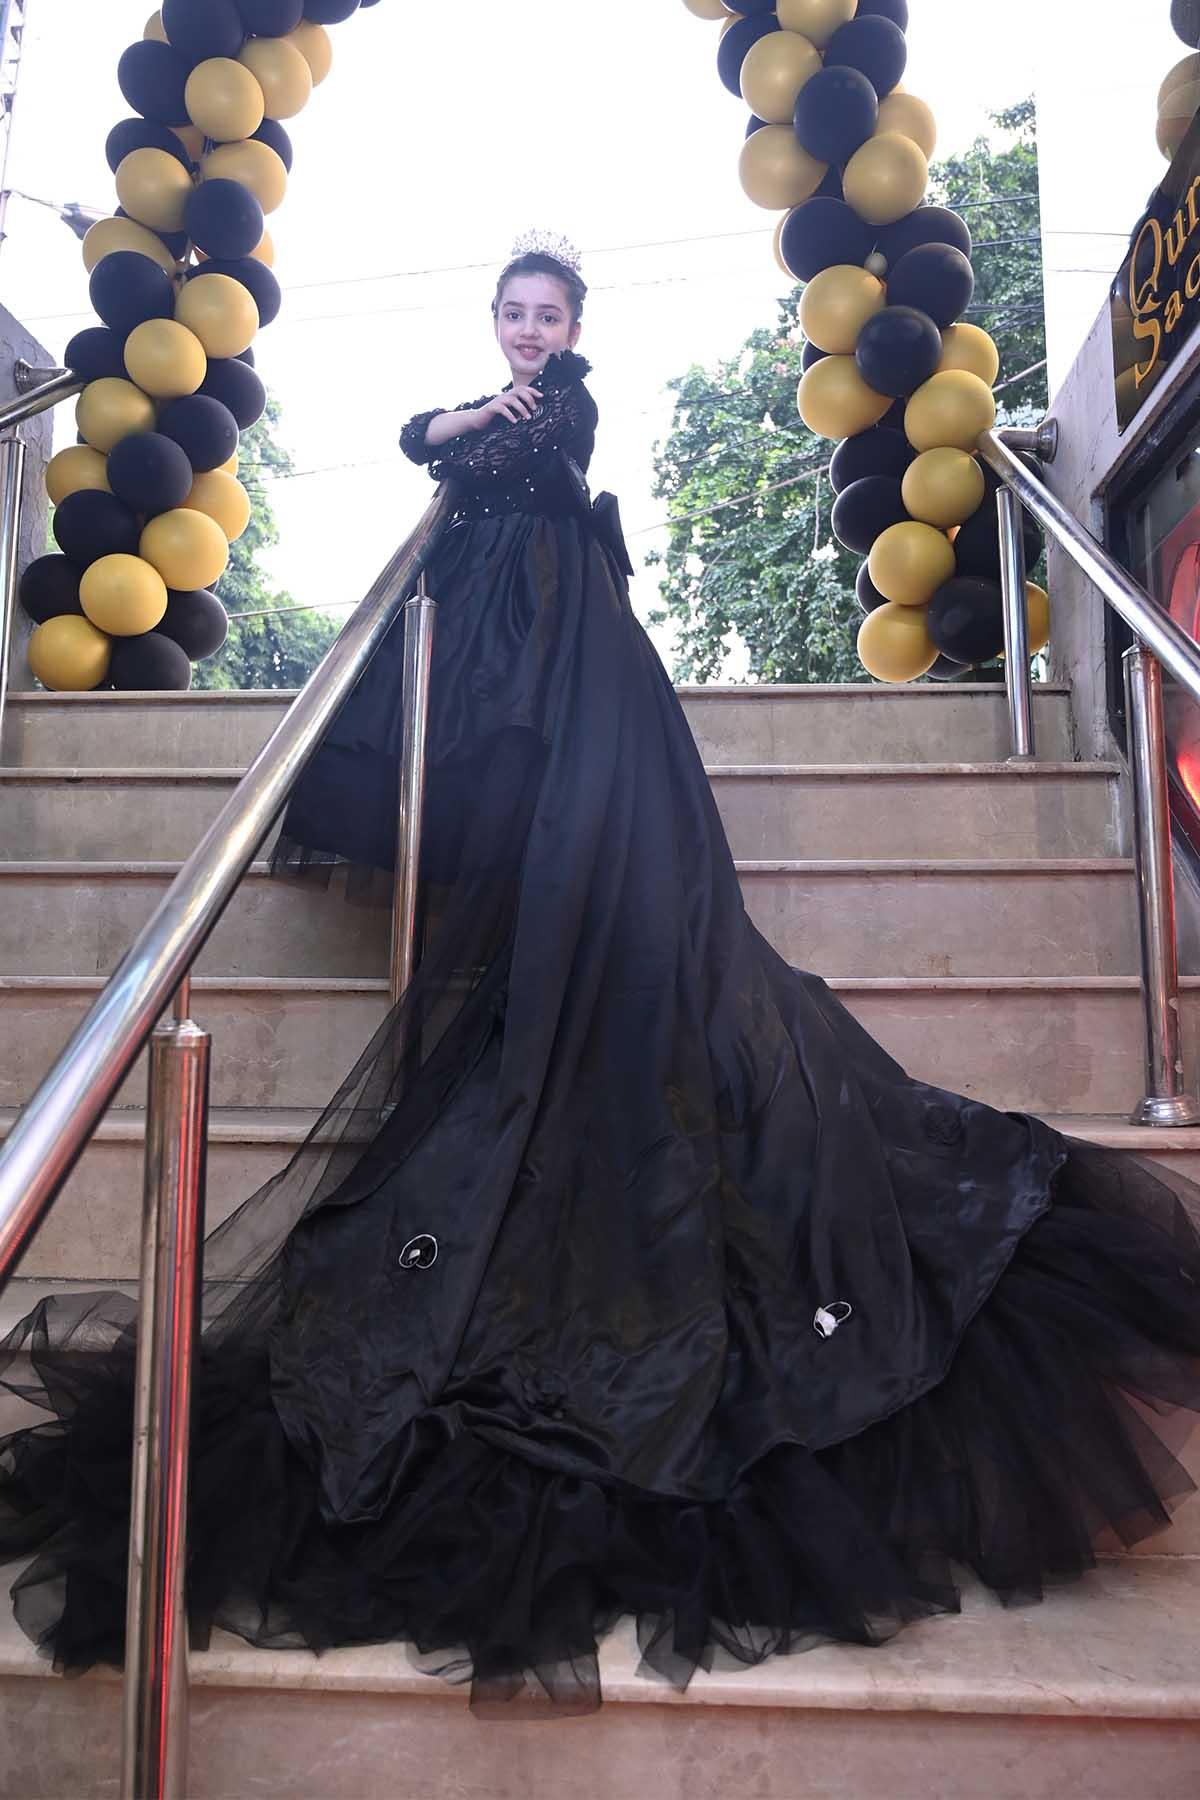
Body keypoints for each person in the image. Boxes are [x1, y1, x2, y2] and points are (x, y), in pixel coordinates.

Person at [2, 232, 1199, 1719]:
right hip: (498, 648)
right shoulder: (490, 404)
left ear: (573, 324)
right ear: (493, 317)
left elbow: (500, 444)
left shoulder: (560, 400)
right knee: (525, 892)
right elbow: (422, 437)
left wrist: (475, 422)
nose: (529, 330)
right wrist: (451, 423)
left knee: (616, 899)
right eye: (512, 312)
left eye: (546, 312)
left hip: (568, 662)